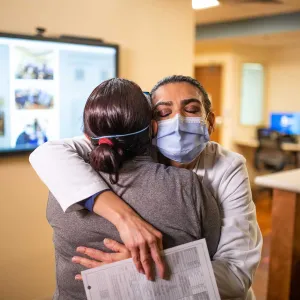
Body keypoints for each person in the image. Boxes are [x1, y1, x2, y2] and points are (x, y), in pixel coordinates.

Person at [30, 75, 262, 299]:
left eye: (191, 110)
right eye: (164, 113)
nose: (178, 122)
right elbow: (49, 152)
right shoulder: (134, 144)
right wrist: (125, 220)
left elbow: (236, 275)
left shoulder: (228, 167)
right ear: (152, 126)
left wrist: (140, 270)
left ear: (210, 121)